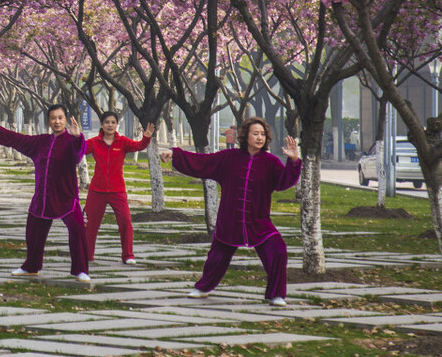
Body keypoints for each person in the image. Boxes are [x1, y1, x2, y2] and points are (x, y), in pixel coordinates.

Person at [166, 117, 302, 306]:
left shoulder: (270, 162)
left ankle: (276, 295)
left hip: (259, 222)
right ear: (245, 136)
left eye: (263, 134)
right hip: (229, 221)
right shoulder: (228, 158)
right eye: (255, 133)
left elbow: (283, 182)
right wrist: (175, 154)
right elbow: (203, 162)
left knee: (278, 250)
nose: (259, 138)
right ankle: (203, 287)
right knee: (216, 259)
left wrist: (294, 161)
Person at [0, 104, 91, 281]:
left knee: (77, 230)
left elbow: (78, 155)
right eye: (53, 118)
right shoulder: (41, 141)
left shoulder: (71, 141)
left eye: (60, 118)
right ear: (48, 120)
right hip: (42, 198)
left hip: (66, 198)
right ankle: (31, 266)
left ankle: (81, 270)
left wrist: (78, 136)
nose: (57, 121)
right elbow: (20, 140)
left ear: (65, 120)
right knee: (33, 234)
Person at [84, 112, 154, 265]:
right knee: (89, 224)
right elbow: (79, 149)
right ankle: (86, 255)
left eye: (113, 122)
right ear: (102, 125)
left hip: (117, 191)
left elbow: (139, 146)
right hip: (97, 191)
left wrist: (146, 138)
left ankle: (128, 255)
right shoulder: (94, 142)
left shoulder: (122, 142)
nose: (110, 125)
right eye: (107, 122)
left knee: (126, 222)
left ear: (117, 125)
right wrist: (76, 137)